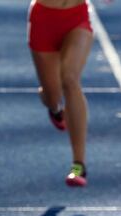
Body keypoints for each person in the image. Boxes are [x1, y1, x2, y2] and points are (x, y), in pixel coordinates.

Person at [28, 0, 94, 187]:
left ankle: (78, 165)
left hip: (77, 18)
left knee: (70, 80)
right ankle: (54, 107)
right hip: (43, 20)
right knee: (53, 96)